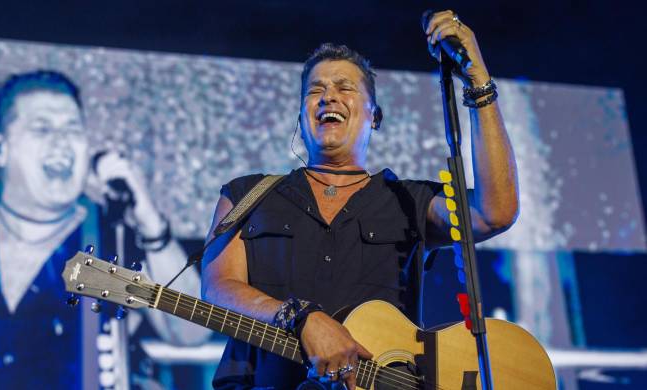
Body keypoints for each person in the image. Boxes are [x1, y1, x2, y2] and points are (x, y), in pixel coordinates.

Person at [202, 10, 519, 390]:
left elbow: (494, 213)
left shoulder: (407, 201)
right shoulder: (245, 196)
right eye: (315, 90)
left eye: (344, 87)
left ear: (375, 117)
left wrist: (478, 79)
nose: (328, 96)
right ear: (301, 118)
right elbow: (218, 289)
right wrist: (302, 319)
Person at [0, 70, 211, 389]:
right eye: (42, 128)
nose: (61, 141)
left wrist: (150, 224)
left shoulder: (104, 246)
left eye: (73, 127)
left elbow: (190, 333)